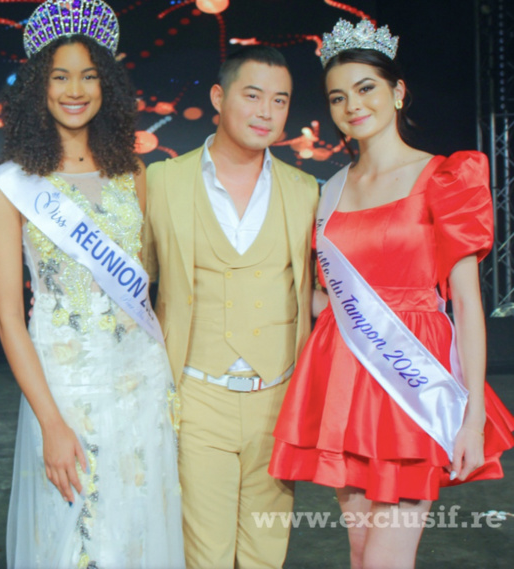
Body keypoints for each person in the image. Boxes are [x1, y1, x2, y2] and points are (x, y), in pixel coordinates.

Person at [269, 19, 514, 569]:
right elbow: (324, 298)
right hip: (344, 378)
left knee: (386, 559)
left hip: (413, 380)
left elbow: (468, 305)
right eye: (338, 97)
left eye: (366, 88)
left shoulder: (445, 177)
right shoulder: (328, 190)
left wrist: (470, 417)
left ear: (397, 92)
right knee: (361, 552)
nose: (352, 105)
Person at [0, 1, 184, 567]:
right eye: (60, 76)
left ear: (108, 85)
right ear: (37, 89)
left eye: (89, 76)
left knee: (138, 530)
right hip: (64, 388)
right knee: (73, 537)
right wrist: (50, 421)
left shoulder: (132, 173)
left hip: (140, 382)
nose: (76, 89)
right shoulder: (11, 185)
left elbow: (147, 286)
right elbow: (6, 316)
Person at [142, 46, 319, 568]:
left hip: (278, 399)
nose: (266, 111)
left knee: (266, 553)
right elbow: (137, 288)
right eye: (253, 94)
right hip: (198, 397)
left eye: (280, 100)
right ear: (220, 97)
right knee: (206, 556)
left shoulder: (306, 190)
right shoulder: (160, 182)